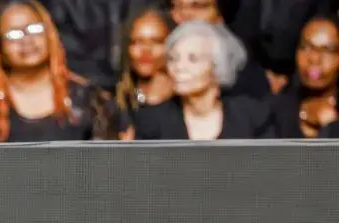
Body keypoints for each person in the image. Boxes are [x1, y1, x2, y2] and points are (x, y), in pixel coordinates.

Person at [0, 0, 119, 142]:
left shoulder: (90, 102)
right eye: (13, 34)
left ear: (50, 33)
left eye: (34, 28)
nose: (26, 40)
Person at [133, 20, 274, 140]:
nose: (179, 67)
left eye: (193, 59)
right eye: (173, 59)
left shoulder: (253, 116)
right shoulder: (151, 122)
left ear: (217, 66)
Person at [271, 16, 339, 138]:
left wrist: (331, 125)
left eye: (327, 50)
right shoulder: (276, 109)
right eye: (306, 47)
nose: (314, 58)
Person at [115, 7, 175, 118]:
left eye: (156, 41)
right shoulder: (116, 104)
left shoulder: (186, 101)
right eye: (137, 42)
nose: (146, 50)